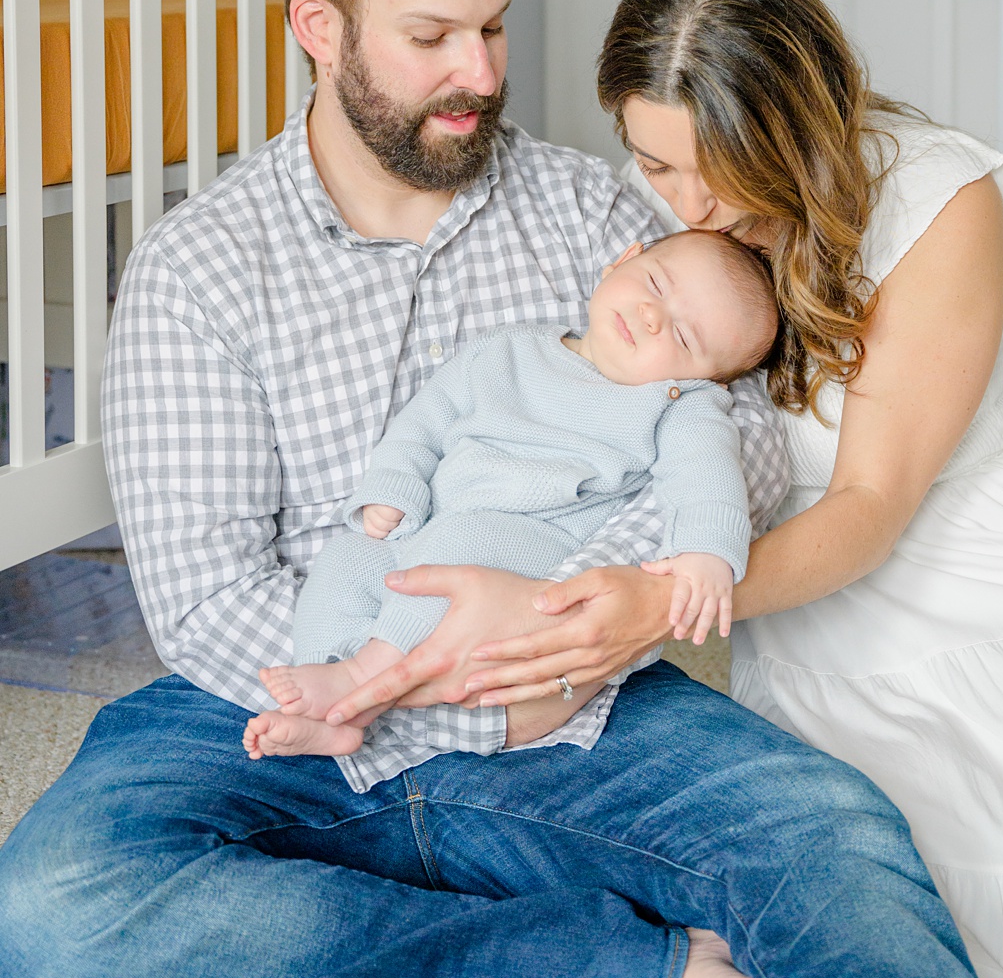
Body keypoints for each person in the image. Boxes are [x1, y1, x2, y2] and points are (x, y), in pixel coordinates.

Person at [0, 0, 1003, 978]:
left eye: (494, 26)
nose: (481, 74)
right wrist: (423, 675)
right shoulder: (198, 269)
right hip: (283, 698)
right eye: (433, 34)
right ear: (319, 30)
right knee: (49, 911)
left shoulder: (595, 214)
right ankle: (613, 973)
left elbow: (734, 442)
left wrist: (550, 625)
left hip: (564, 701)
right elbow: (206, 599)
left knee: (832, 839)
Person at [396, 0, 1003, 978]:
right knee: (844, 905)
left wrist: (665, 601)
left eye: (715, 166)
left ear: (790, 124)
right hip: (796, 593)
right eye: (653, 164)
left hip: (970, 546)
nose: (689, 203)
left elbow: (870, 503)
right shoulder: (673, 220)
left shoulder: (935, 198)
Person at [247, 228, 780, 760]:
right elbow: (426, 420)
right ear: (623, 258)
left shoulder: (680, 405)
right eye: (654, 284)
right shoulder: (509, 348)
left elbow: (707, 475)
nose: (651, 317)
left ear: (708, 379)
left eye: (683, 339)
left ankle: (359, 686)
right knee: (347, 560)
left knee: (453, 555)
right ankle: (325, 683)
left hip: (533, 539)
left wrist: (709, 553)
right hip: (435, 519)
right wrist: (393, 486)